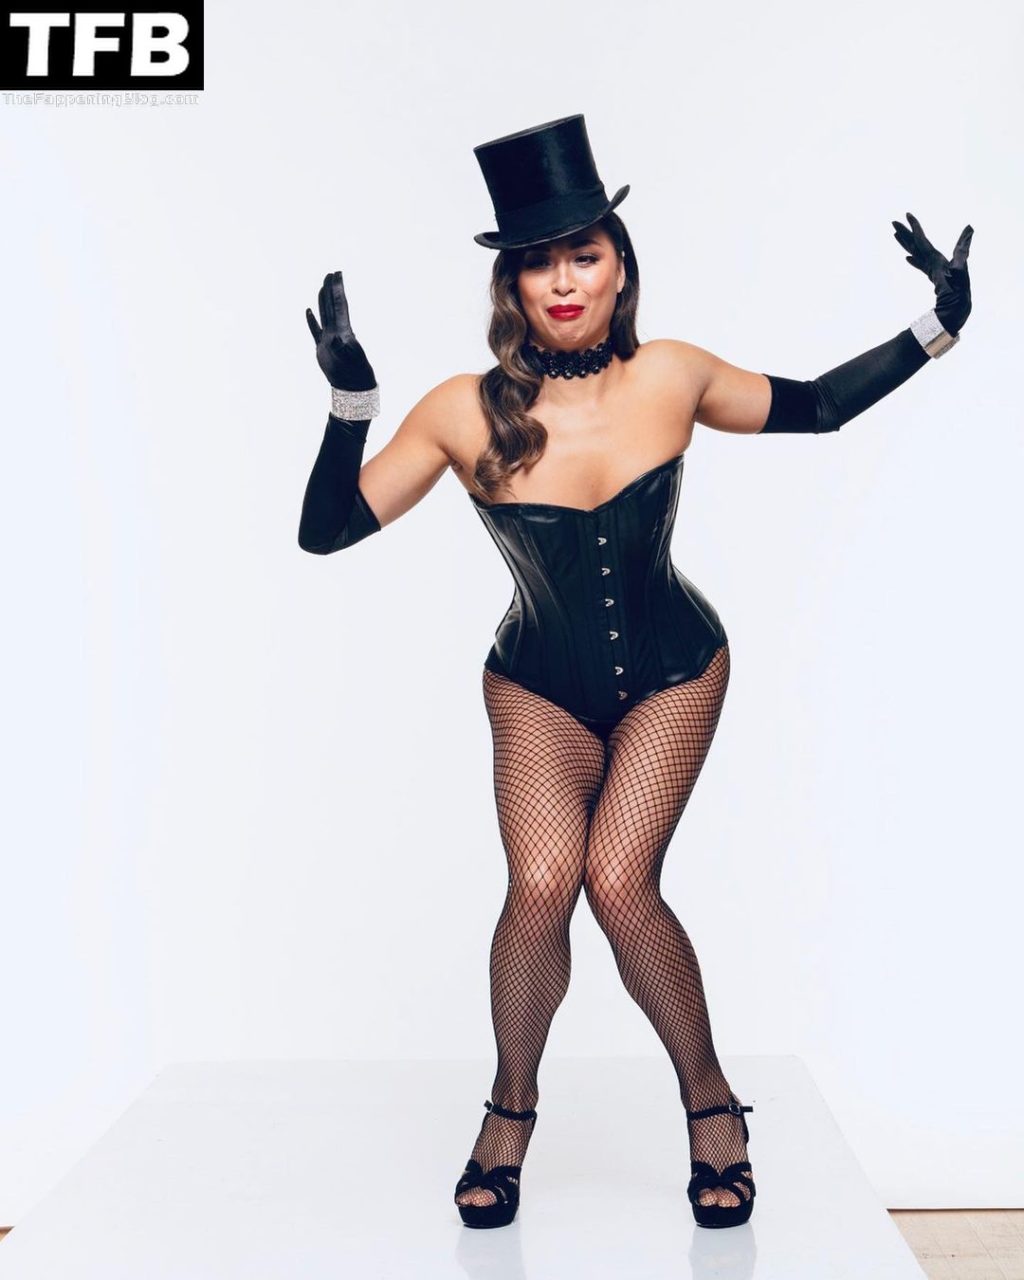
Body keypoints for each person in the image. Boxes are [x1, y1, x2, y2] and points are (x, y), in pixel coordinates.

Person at [297, 115, 973, 1231]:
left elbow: (816, 405)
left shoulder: (671, 375)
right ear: (511, 283)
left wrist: (937, 324)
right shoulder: (462, 409)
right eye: (538, 262)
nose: (564, 281)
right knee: (539, 885)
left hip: (673, 670)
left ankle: (711, 1103)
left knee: (619, 881)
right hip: (537, 685)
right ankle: (510, 1109)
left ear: (620, 265)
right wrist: (349, 405)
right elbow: (327, 532)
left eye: (585, 253)